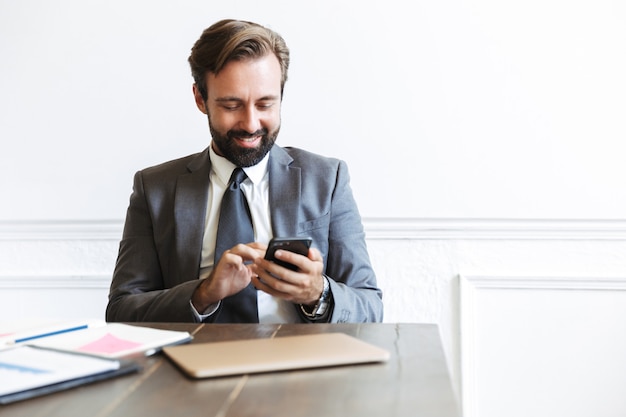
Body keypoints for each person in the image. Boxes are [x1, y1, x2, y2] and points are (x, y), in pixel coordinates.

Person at [106, 19, 383, 323]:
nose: (251, 124)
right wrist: (203, 293)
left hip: (298, 362)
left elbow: (370, 307)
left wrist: (318, 294)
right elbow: (121, 311)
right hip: (194, 363)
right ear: (201, 99)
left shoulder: (328, 180)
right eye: (231, 105)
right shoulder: (154, 189)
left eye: (265, 104)